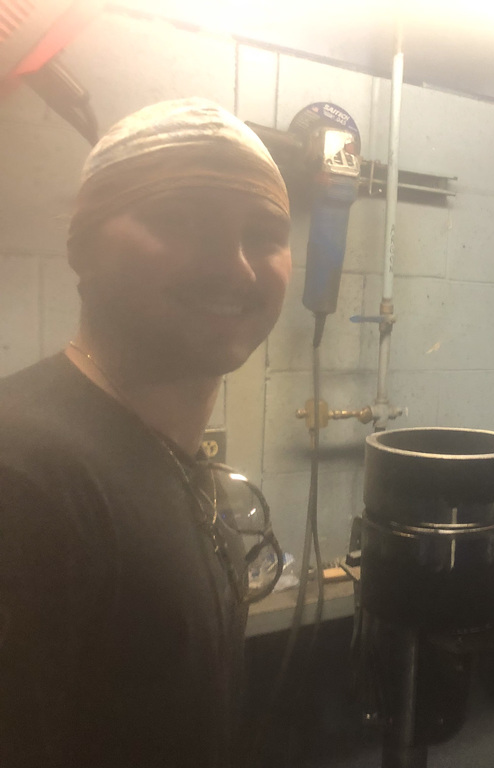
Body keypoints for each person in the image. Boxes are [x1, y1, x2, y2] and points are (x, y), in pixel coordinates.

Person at [0, 98, 291, 767]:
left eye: (265, 233)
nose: (238, 267)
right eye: (180, 222)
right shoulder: (22, 478)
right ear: (84, 247)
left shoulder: (173, 466)